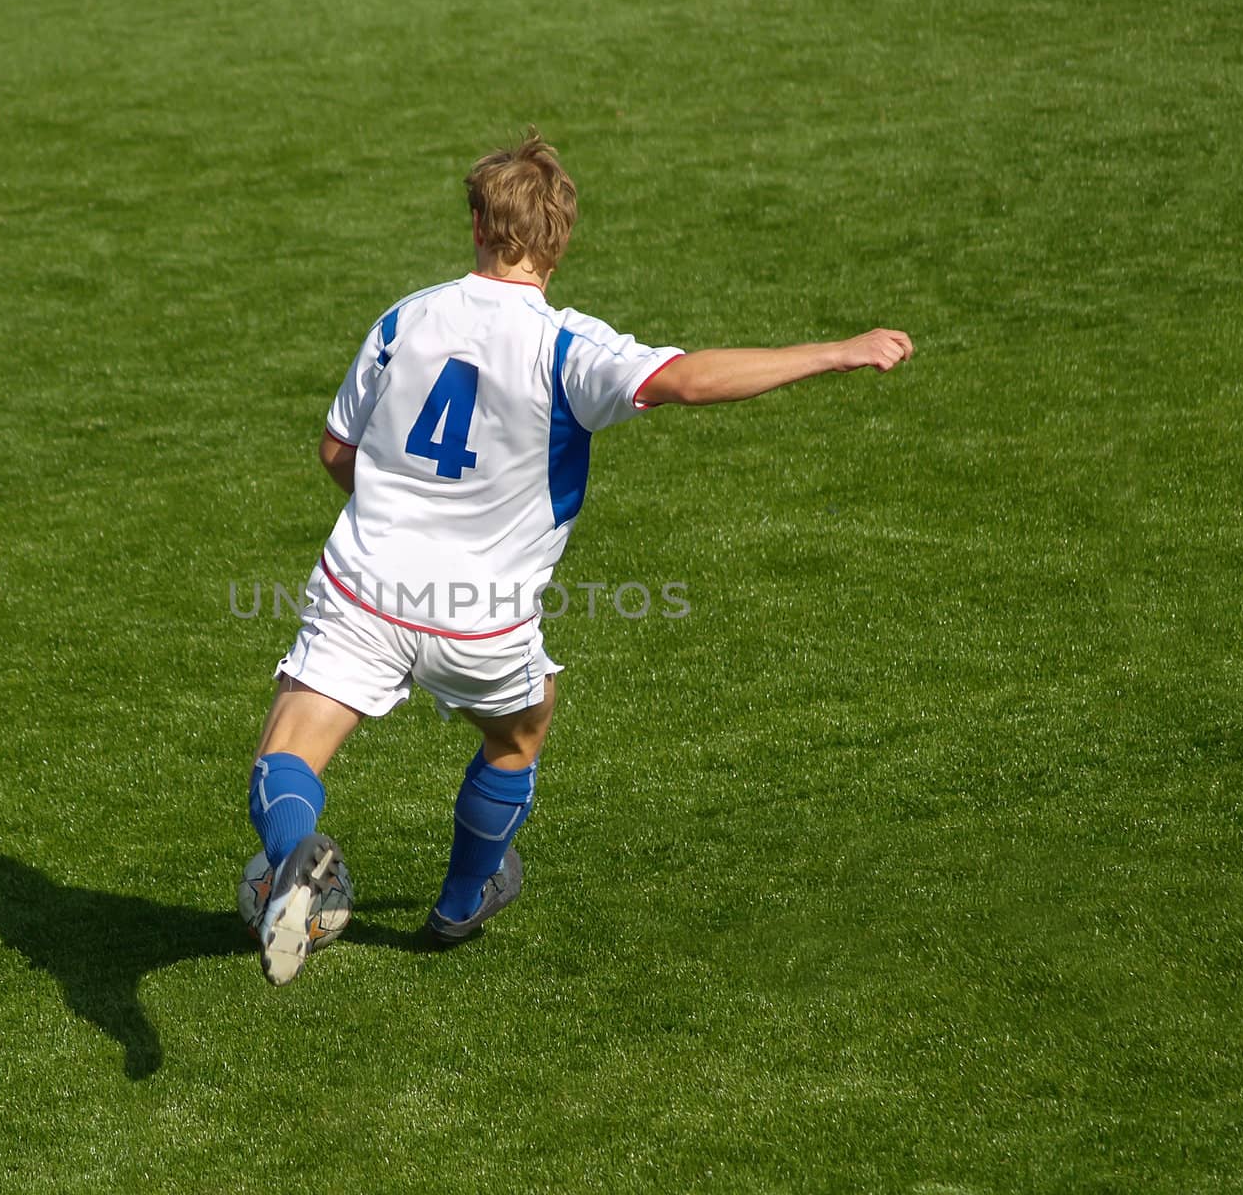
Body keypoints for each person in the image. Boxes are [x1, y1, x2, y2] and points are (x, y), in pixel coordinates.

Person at [247, 129, 913, 985]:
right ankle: (460, 901)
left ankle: (299, 857)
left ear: (480, 227)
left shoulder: (406, 316)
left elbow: (338, 452)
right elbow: (686, 379)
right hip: (480, 618)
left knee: (290, 749)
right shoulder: (566, 348)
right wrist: (835, 350)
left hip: (364, 583)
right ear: (558, 242)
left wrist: (400, 513)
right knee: (521, 733)